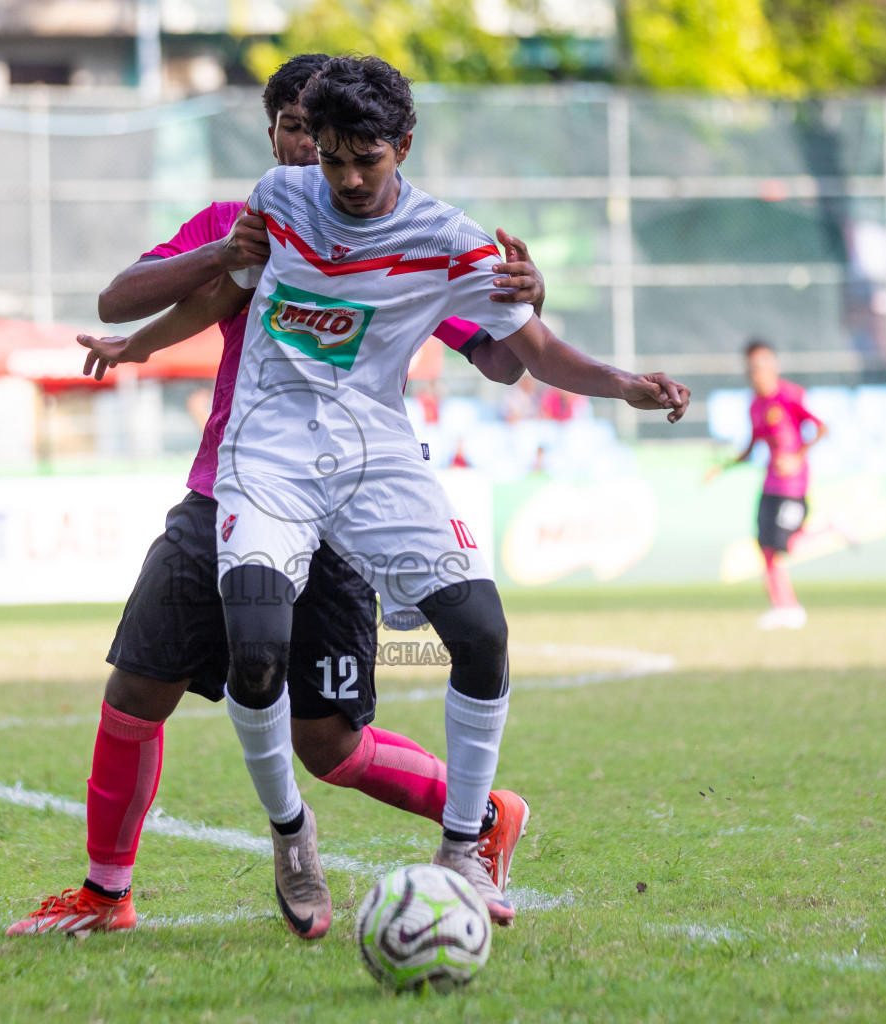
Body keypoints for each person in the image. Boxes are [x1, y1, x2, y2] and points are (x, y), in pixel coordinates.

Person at [6, 54, 545, 939]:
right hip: (221, 491)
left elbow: (494, 352)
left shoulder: (395, 238)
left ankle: (481, 816)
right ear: (276, 135)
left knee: (326, 742)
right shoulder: (240, 218)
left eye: (331, 137)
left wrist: (528, 297)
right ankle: (106, 895)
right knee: (135, 688)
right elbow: (120, 296)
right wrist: (225, 252)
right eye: (298, 130)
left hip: (337, 508)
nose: (316, 151)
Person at [167, 55, 688, 936]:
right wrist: (136, 340)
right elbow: (227, 290)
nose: (346, 178)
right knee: (255, 652)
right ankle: (292, 837)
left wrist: (625, 383)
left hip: (374, 455)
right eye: (331, 158)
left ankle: (460, 851)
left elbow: (534, 353)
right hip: (266, 455)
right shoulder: (278, 195)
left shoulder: (452, 239)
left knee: (481, 633)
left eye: (365, 159)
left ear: (401, 146)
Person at [706, 338, 825, 630]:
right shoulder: (755, 404)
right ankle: (784, 607)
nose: (757, 371)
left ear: (774, 366)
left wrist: (797, 457)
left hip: (793, 486)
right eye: (752, 366)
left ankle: (832, 527)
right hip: (770, 484)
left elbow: (821, 428)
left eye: (762, 364)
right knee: (766, 548)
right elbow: (752, 446)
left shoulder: (790, 395)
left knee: (785, 546)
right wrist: (725, 466)